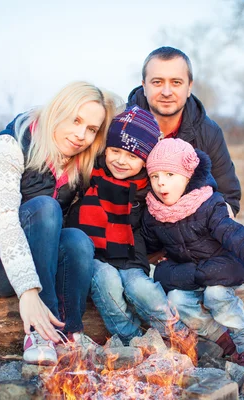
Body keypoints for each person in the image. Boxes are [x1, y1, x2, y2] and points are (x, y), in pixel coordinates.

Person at [0, 82, 119, 365]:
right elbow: (5, 222)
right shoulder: (11, 144)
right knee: (45, 208)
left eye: (92, 129)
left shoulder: (78, 162)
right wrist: (29, 292)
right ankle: (40, 332)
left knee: (78, 239)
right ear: (58, 111)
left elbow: (128, 162)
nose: (82, 135)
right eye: (76, 120)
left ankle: (70, 332)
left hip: (38, 260)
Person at [142, 138, 244, 372]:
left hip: (220, 268)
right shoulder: (154, 212)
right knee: (176, 300)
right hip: (189, 273)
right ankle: (225, 342)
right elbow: (148, 242)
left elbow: (233, 233)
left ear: (187, 176)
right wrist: (152, 257)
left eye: (170, 175)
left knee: (216, 296)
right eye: (155, 177)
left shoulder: (208, 203)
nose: (161, 184)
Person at [69, 105, 193, 350]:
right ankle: (136, 341)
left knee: (140, 287)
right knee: (107, 282)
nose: (121, 161)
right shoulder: (90, 174)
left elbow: (163, 222)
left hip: (130, 254)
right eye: (114, 150)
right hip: (93, 253)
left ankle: (176, 333)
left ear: (145, 160)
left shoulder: (151, 187)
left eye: (133, 156)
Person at [127, 46, 241, 217]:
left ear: (189, 87)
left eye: (176, 82)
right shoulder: (120, 126)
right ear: (144, 86)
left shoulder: (209, 132)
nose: (166, 92)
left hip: (188, 234)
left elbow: (229, 198)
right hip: (130, 232)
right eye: (157, 82)